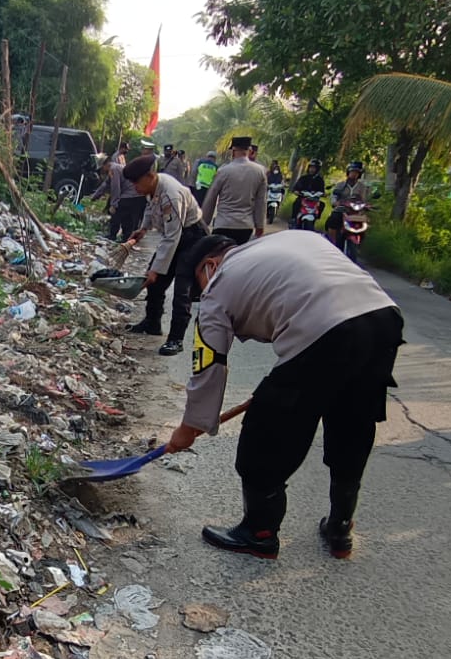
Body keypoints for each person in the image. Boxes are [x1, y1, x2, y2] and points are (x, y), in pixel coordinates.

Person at [163, 231, 404, 559]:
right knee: (352, 424)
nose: (202, 293)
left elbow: (209, 366)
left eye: (198, 284)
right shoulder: (290, 239)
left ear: (210, 265)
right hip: (383, 319)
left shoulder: (219, 285)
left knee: (266, 433)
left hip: (325, 331)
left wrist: (188, 428)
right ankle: (340, 527)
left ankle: (259, 533)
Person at [121, 153, 208, 354]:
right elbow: (151, 209)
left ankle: (176, 339)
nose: (135, 187)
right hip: (174, 236)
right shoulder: (153, 188)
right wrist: (143, 229)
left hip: (191, 238)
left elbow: (173, 236)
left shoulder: (171, 194)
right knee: (155, 284)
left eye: (137, 182)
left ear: (150, 176)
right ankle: (152, 323)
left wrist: (156, 270)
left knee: (181, 290)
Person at [200, 136, 268, 245]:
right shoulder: (260, 172)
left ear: (233, 151)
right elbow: (261, 202)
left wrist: (204, 223)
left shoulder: (223, 171)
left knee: (220, 258)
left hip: (223, 224)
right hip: (245, 227)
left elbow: (211, 198)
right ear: (249, 151)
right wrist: (260, 226)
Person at [93, 156, 145, 241]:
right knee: (127, 217)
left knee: (117, 213)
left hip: (132, 194)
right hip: (136, 195)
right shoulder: (114, 168)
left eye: (102, 168)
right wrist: (95, 196)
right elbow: (105, 185)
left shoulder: (114, 169)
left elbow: (115, 188)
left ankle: (113, 235)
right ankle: (125, 237)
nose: (102, 170)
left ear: (105, 164)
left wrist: (114, 204)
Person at [324, 160, 372, 247]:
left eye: (357, 172)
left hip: (356, 212)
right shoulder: (340, 185)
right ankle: (332, 243)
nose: (354, 174)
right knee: (333, 219)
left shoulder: (363, 187)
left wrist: (367, 205)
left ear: (359, 174)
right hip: (342, 210)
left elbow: (365, 200)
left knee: (365, 223)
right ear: (348, 172)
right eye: (352, 172)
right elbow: (333, 196)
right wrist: (336, 202)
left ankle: (359, 242)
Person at [288, 158, 327, 226]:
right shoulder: (303, 178)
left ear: (317, 169)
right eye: (311, 167)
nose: (312, 169)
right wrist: (297, 191)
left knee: (322, 204)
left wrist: (323, 194)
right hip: (303, 198)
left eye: (314, 168)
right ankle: (293, 218)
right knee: (296, 202)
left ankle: (316, 217)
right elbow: (296, 188)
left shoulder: (320, 180)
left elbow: (322, 191)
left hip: (314, 200)